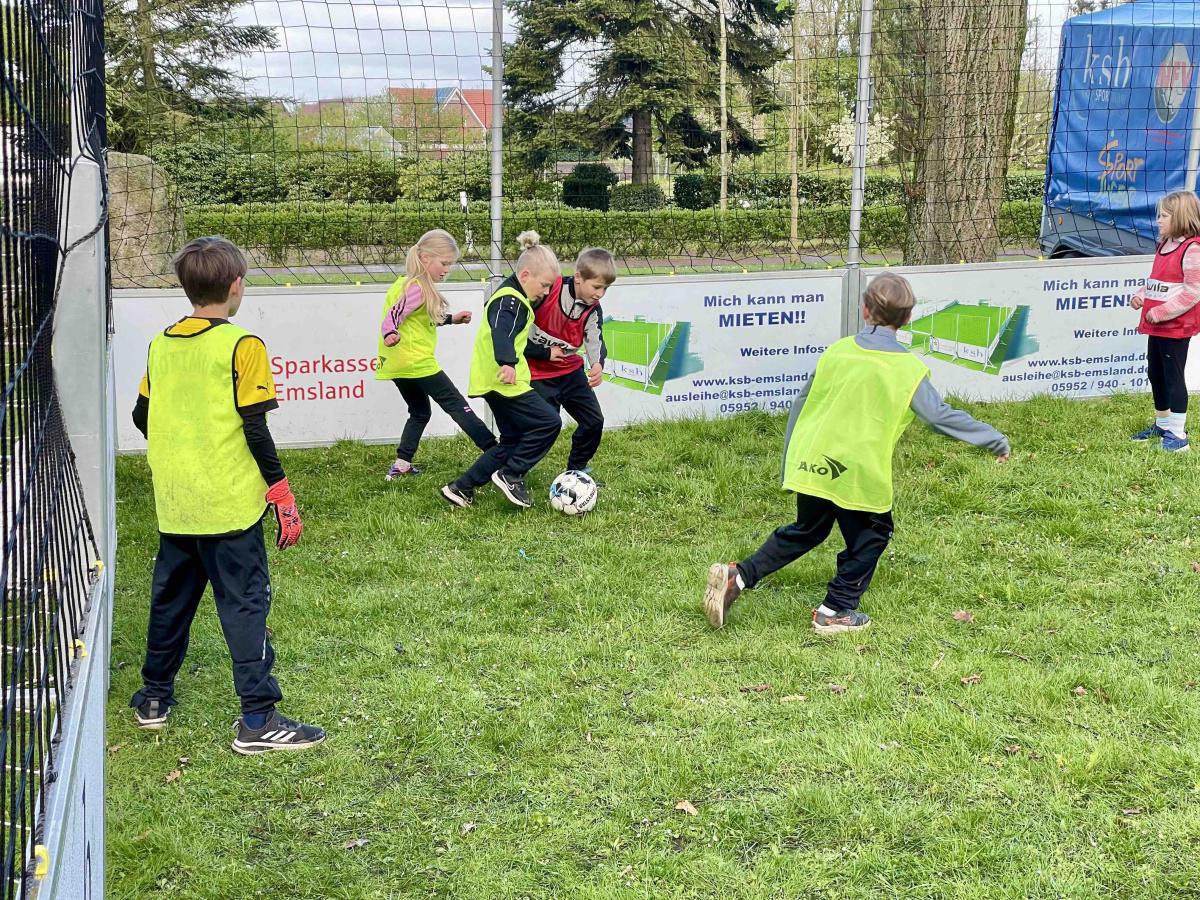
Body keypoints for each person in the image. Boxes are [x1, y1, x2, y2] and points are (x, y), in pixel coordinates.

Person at [703, 273, 1010, 634]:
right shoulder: (907, 368)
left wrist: (791, 460)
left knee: (807, 529)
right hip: (857, 473)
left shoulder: (839, 350)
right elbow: (939, 416)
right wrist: (992, 438)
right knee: (873, 536)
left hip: (814, 460)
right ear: (908, 319)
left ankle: (738, 578)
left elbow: (802, 401)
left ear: (865, 310)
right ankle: (835, 610)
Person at [129, 236, 325, 755]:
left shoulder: (161, 343)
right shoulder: (243, 345)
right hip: (230, 507)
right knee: (245, 605)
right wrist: (280, 491)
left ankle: (153, 698)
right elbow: (255, 430)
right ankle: (258, 718)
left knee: (171, 600)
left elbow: (141, 417)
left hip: (177, 503)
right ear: (236, 286)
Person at [441, 231, 562, 509]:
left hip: (496, 380)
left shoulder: (512, 298)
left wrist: (545, 353)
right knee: (549, 422)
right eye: (544, 285)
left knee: (511, 441)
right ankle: (512, 473)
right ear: (526, 275)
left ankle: (461, 488)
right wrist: (507, 364)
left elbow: (517, 340)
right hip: (504, 380)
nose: (545, 292)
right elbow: (502, 333)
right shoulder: (510, 300)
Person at [377, 229, 496, 478]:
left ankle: (401, 465)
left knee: (420, 412)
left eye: (450, 265)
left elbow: (421, 319)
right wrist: (390, 332)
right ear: (425, 258)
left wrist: (452, 319)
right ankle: (496, 453)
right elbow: (395, 315)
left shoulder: (405, 284)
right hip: (416, 361)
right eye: (444, 263)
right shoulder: (416, 288)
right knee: (457, 406)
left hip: (398, 363)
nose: (446, 270)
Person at [524, 247, 615, 476]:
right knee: (544, 427)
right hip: (538, 373)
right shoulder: (548, 289)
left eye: (605, 288)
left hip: (570, 372)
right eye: (596, 287)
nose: (600, 294)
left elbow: (595, 338)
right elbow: (516, 322)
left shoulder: (593, 308)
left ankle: (577, 470)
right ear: (578, 277)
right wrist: (540, 352)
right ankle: (514, 472)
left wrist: (597, 365)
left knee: (594, 421)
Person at [1129, 190, 1200, 452]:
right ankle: (1163, 423)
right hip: (1156, 325)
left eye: (1165, 215)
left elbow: (1193, 292)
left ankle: (1178, 436)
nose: (1159, 220)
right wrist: (1140, 296)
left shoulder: (1192, 249)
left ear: (1181, 217)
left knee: (1173, 376)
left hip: (1175, 327)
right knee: (1155, 373)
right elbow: (1155, 280)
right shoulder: (1164, 244)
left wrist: (1160, 312)